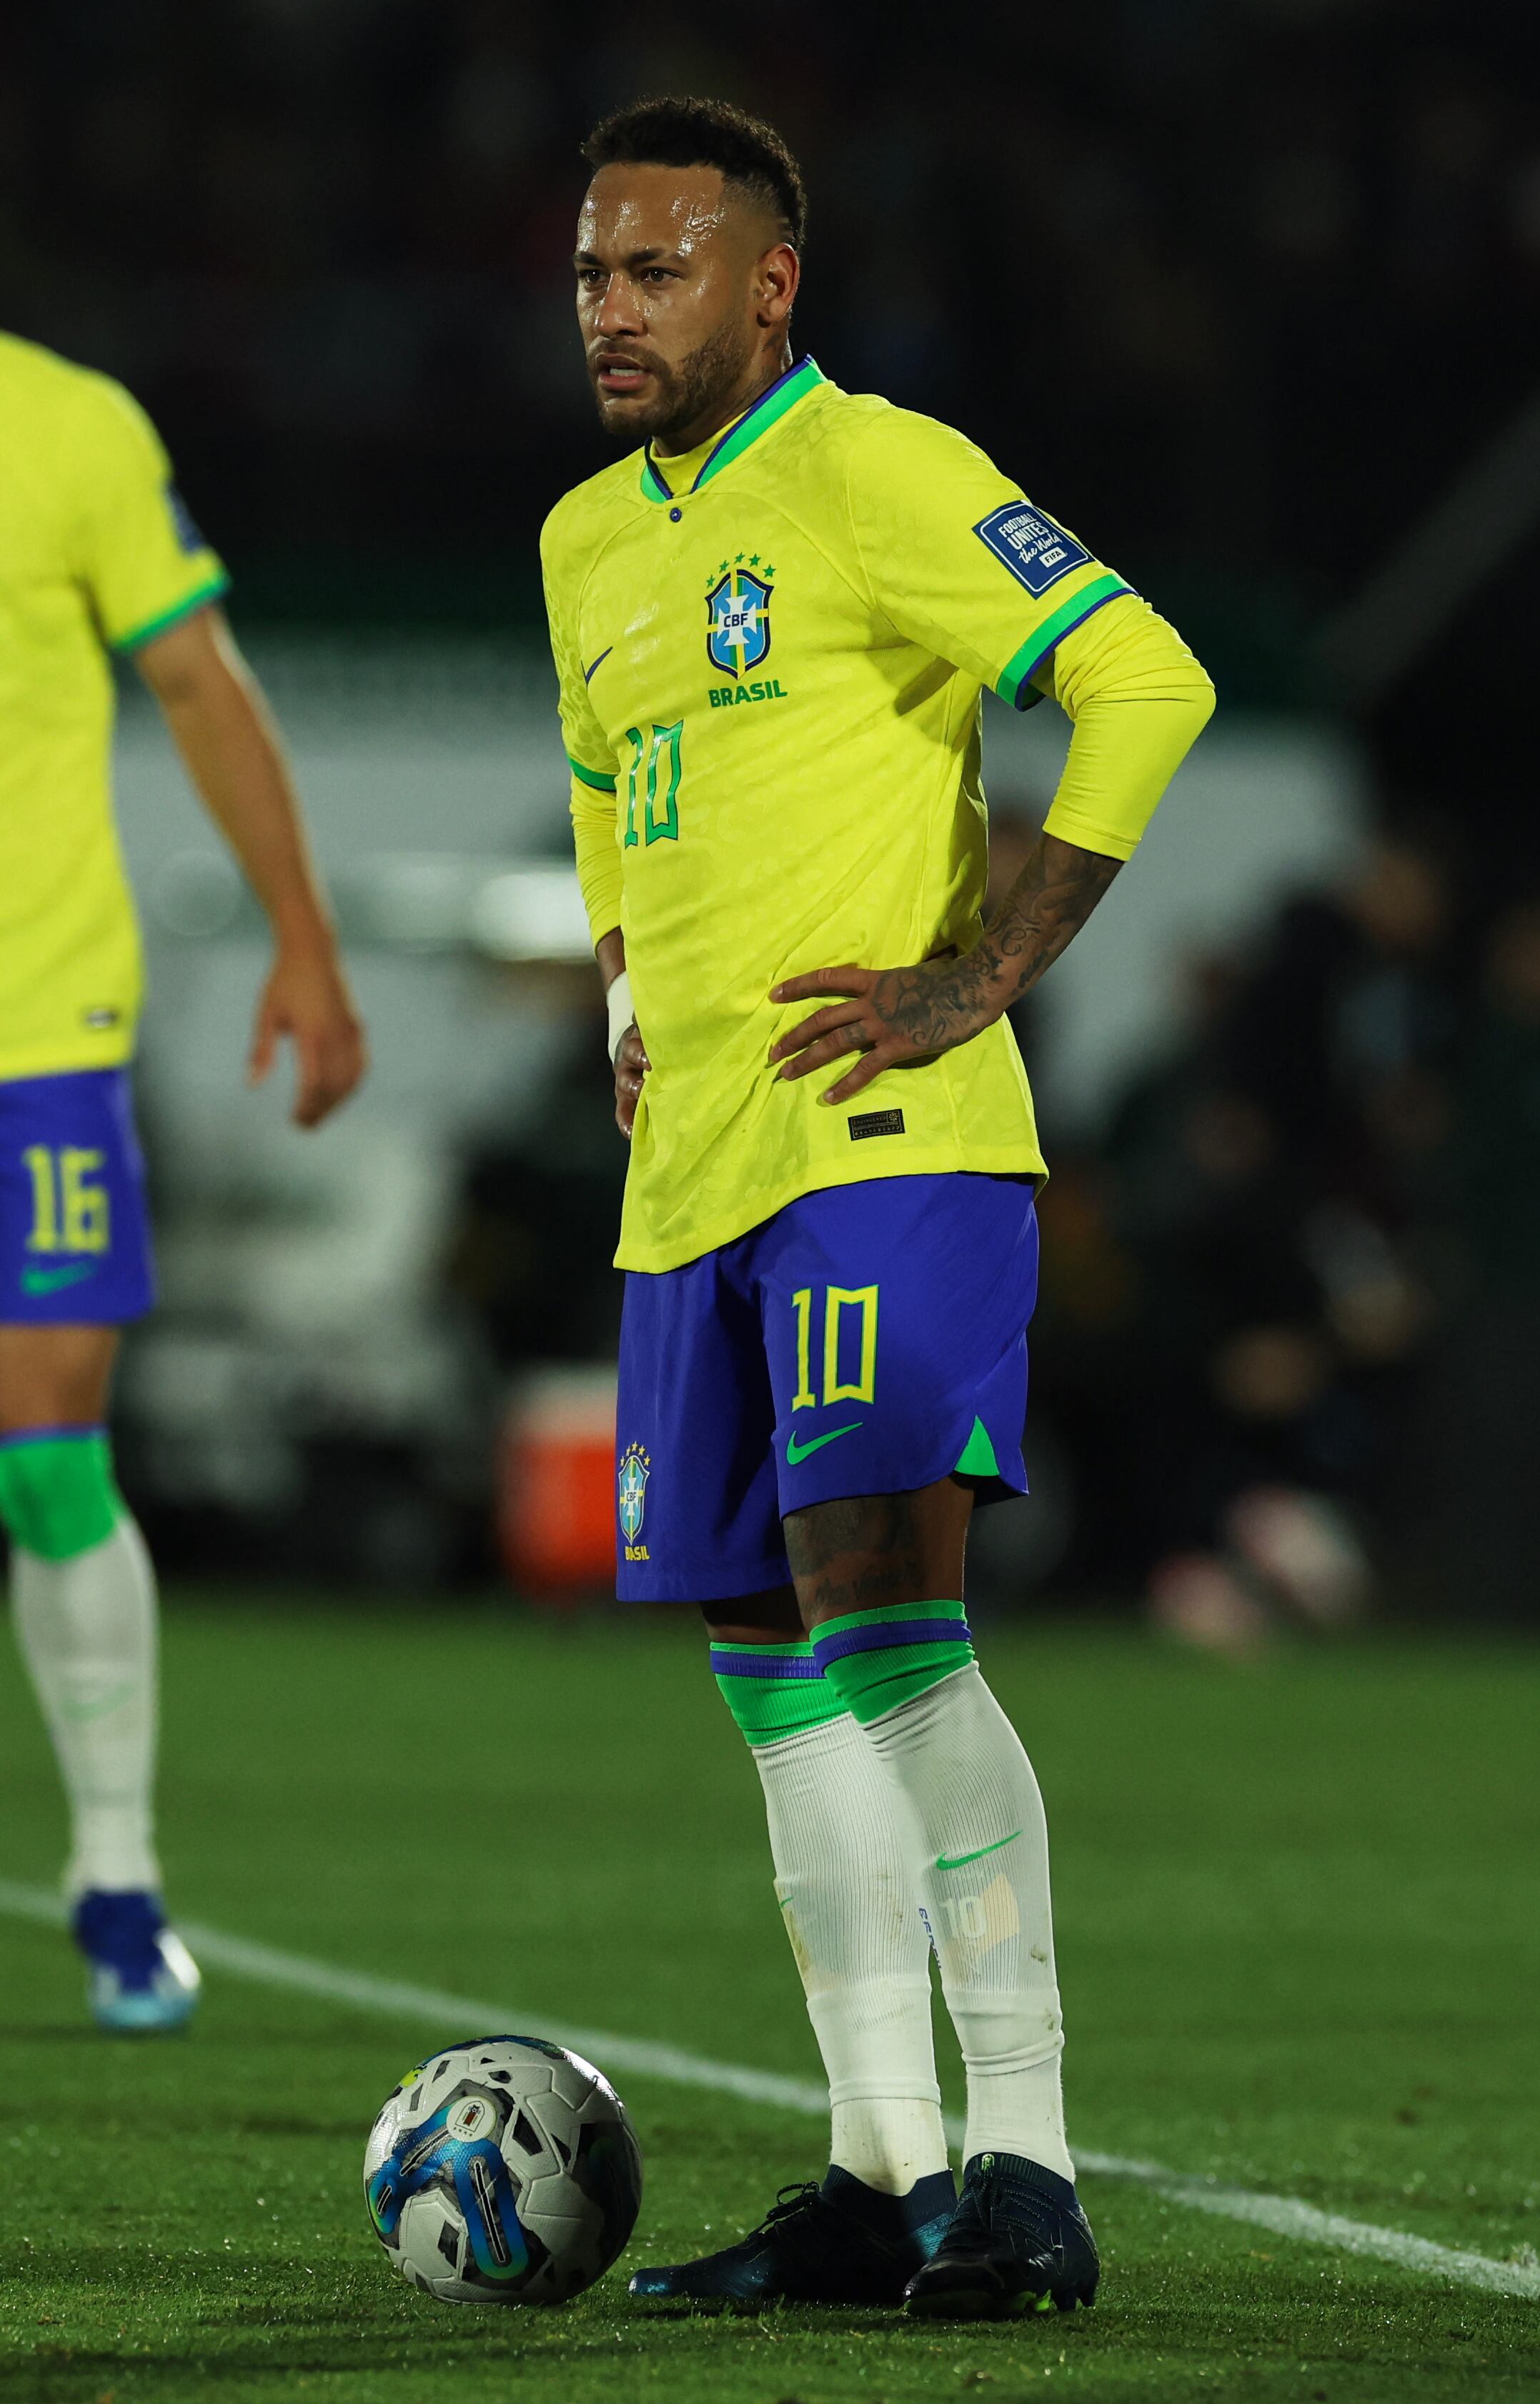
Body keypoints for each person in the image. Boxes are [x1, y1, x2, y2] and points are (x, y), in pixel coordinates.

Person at [542, 98, 1214, 2319]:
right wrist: (628, 981)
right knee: (771, 1666)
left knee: (891, 1623)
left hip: (882, 1140)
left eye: (658, 269)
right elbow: (610, 793)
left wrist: (986, 968)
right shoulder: (583, 540)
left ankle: (1024, 2164)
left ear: (768, 285)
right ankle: (878, 2168)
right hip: (694, 1168)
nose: (612, 308)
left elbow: (1142, 673)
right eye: (590, 271)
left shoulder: (881, 473)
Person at [0, 332, 365, 2030]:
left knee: (47, 1449)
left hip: (34, 1020)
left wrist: (301, 931)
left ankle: (119, 1876)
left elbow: (199, 678)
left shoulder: (68, 425)